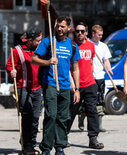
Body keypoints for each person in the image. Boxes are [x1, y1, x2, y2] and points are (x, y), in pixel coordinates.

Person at [31, 16, 81, 155]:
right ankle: (46, 148)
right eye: (58, 26)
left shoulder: (72, 45)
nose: (59, 28)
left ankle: (60, 146)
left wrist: (77, 89)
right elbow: (33, 59)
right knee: (51, 115)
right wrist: (48, 62)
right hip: (50, 84)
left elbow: (76, 68)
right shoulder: (48, 42)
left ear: (68, 28)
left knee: (63, 117)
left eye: (63, 26)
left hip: (65, 86)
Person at [66, 22, 105, 149]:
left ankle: (93, 138)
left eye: (82, 31)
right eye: (77, 31)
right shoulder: (70, 46)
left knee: (92, 111)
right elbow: (67, 67)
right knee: (71, 112)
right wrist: (72, 83)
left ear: (87, 33)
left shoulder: (91, 46)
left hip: (90, 84)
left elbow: (91, 62)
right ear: (74, 33)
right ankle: (63, 136)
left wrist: (91, 76)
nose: (80, 33)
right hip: (75, 86)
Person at [6, 27, 43, 155]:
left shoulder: (40, 50)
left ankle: (31, 142)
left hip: (38, 88)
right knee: (27, 116)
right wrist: (12, 72)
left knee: (36, 117)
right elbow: (9, 66)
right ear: (30, 41)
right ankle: (28, 144)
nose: (39, 42)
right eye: (37, 40)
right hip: (23, 88)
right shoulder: (17, 51)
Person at [89, 24, 113, 132]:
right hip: (89, 77)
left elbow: (106, 60)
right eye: (99, 35)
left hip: (100, 77)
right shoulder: (88, 44)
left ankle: (98, 125)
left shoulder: (103, 46)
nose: (100, 37)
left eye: (101, 35)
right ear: (93, 34)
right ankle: (82, 118)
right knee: (89, 101)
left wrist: (109, 69)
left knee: (100, 100)